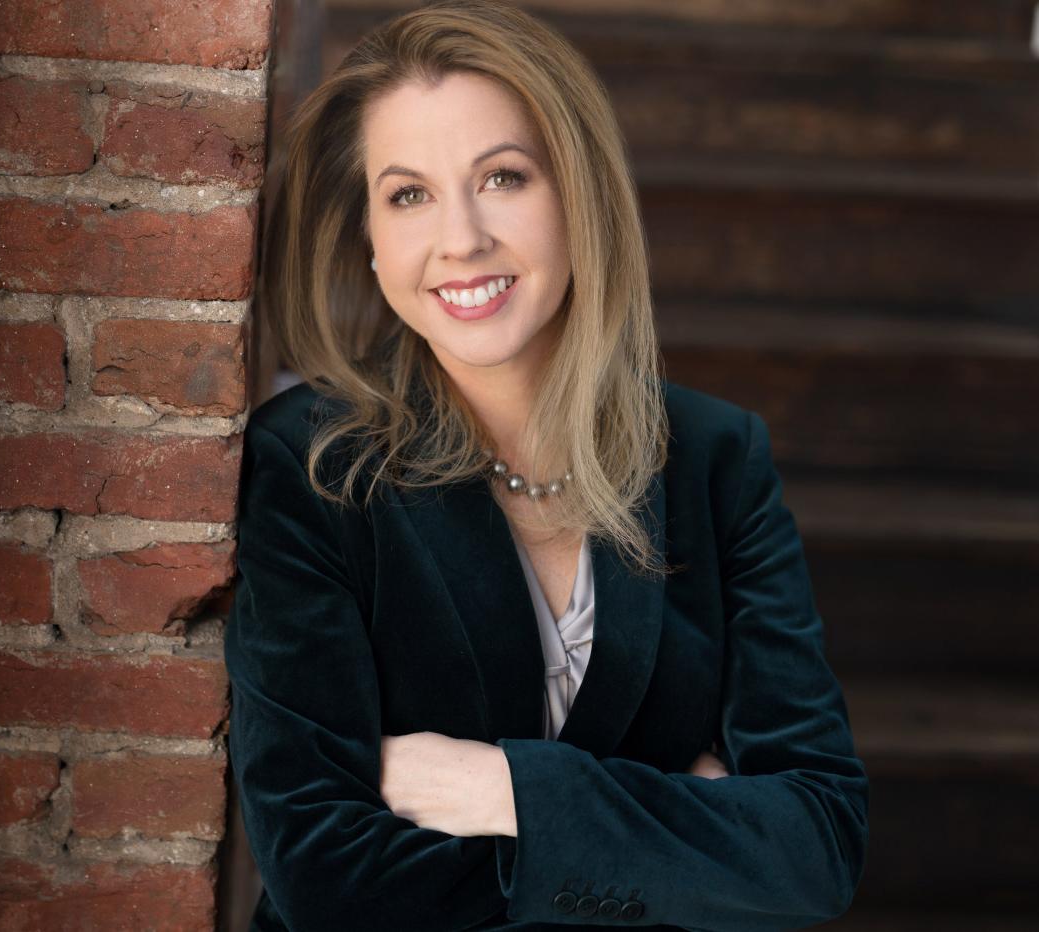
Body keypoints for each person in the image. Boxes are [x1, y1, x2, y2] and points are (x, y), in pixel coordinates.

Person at [224, 1, 869, 929]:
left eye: (503, 177)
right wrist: (681, 828)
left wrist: (503, 789)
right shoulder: (311, 468)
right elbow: (329, 878)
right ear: (371, 241)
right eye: (409, 194)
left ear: (580, 194)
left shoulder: (717, 463)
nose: (462, 239)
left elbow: (815, 844)